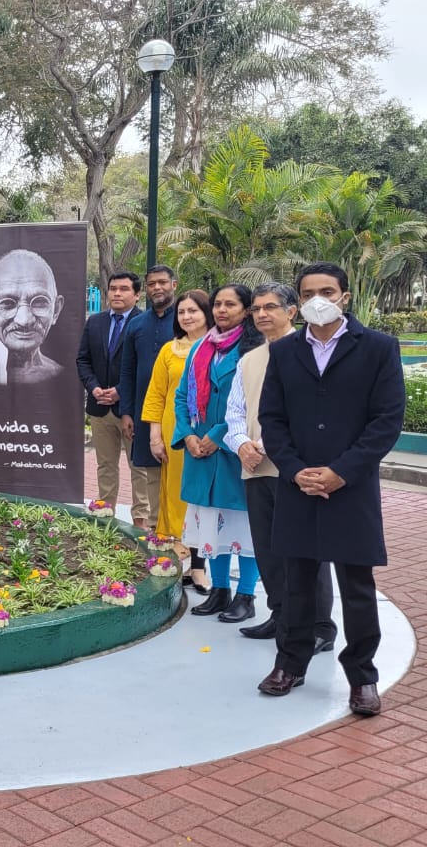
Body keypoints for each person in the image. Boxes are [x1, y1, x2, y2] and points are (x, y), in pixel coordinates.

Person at [257, 262, 404, 716]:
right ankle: (290, 663)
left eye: (327, 290)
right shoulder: (283, 353)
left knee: (356, 585)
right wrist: (295, 469)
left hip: (351, 487)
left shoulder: (378, 347)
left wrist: (342, 471)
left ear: (345, 295)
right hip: (298, 484)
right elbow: (272, 419)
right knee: (296, 580)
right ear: (299, 301)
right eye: (308, 292)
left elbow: (386, 421)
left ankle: (362, 676)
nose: (318, 298)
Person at [224, 283, 337, 651]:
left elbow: (315, 415)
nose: (261, 314)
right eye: (256, 308)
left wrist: (267, 444)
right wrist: (241, 443)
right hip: (256, 468)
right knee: (269, 547)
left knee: (308, 550)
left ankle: (320, 626)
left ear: (292, 311)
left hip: (298, 470)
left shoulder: (314, 354)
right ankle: (281, 614)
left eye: (270, 307)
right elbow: (235, 412)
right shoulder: (249, 360)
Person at [173, 284, 260, 623]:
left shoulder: (253, 349)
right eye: (218, 304)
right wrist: (189, 435)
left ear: (246, 309)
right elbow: (183, 396)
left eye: (231, 304)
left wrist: (215, 436)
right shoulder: (200, 347)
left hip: (234, 450)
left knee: (244, 527)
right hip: (199, 453)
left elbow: (249, 404)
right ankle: (220, 590)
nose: (222, 310)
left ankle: (246, 595)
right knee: (211, 527)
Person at [141, 290, 213, 590]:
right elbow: (156, 394)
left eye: (193, 311)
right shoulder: (169, 351)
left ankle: (200, 567)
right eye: (181, 312)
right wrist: (155, 436)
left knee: (203, 501)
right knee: (175, 499)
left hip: (208, 436)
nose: (186, 317)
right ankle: (179, 562)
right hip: (175, 436)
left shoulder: (219, 348)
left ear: (207, 313)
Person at [76, 271, 146, 520]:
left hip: (130, 409)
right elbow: (83, 359)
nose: (117, 293)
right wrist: (93, 387)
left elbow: (145, 367)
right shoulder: (95, 322)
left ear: (137, 295)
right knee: (105, 465)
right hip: (99, 408)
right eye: (113, 288)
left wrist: (120, 392)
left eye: (124, 289)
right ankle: (106, 514)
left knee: (138, 467)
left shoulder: (144, 322)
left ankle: (141, 520)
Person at [118, 265, 178, 529]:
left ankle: (181, 531)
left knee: (178, 470)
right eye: (152, 283)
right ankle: (156, 528)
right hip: (145, 410)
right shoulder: (137, 324)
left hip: (179, 411)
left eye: (162, 282)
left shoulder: (187, 319)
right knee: (152, 472)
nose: (157, 288)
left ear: (174, 285)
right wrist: (127, 411)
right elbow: (127, 371)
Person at [0, 249, 66, 385]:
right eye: (7, 304)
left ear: (56, 310)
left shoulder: (60, 374)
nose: (24, 320)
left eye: (39, 302)